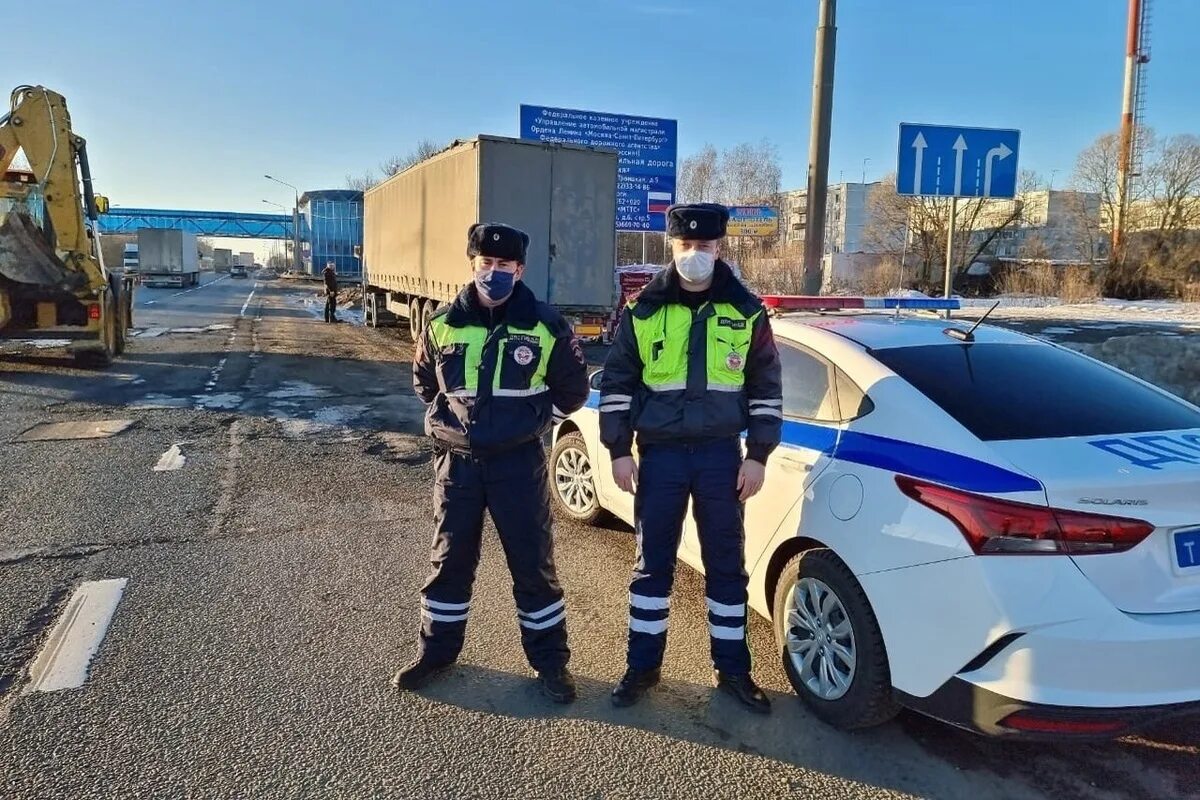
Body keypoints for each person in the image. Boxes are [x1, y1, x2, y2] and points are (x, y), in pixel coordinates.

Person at [394, 222, 590, 703]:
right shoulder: (442, 323)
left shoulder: (547, 325)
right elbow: (425, 384)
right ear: (473, 264)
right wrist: (451, 424)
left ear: (520, 269)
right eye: (487, 263)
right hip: (456, 466)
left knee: (533, 566)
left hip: (518, 466)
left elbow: (574, 391)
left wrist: (531, 424)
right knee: (448, 562)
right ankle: (436, 653)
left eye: (505, 265)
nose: (495, 272)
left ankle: (550, 666)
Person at [599, 203, 783, 713]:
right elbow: (617, 385)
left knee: (727, 565)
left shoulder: (747, 312)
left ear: (720, 248)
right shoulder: (644, 311)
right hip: (659, 458)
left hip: (723, 457)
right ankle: (641, 666)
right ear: (671, 248)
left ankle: (733, 671)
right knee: (651, 564)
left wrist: (759, 455)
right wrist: (618, 450)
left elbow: (766, 386)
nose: (695, 255)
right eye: (686, 246)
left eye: (705, 246)